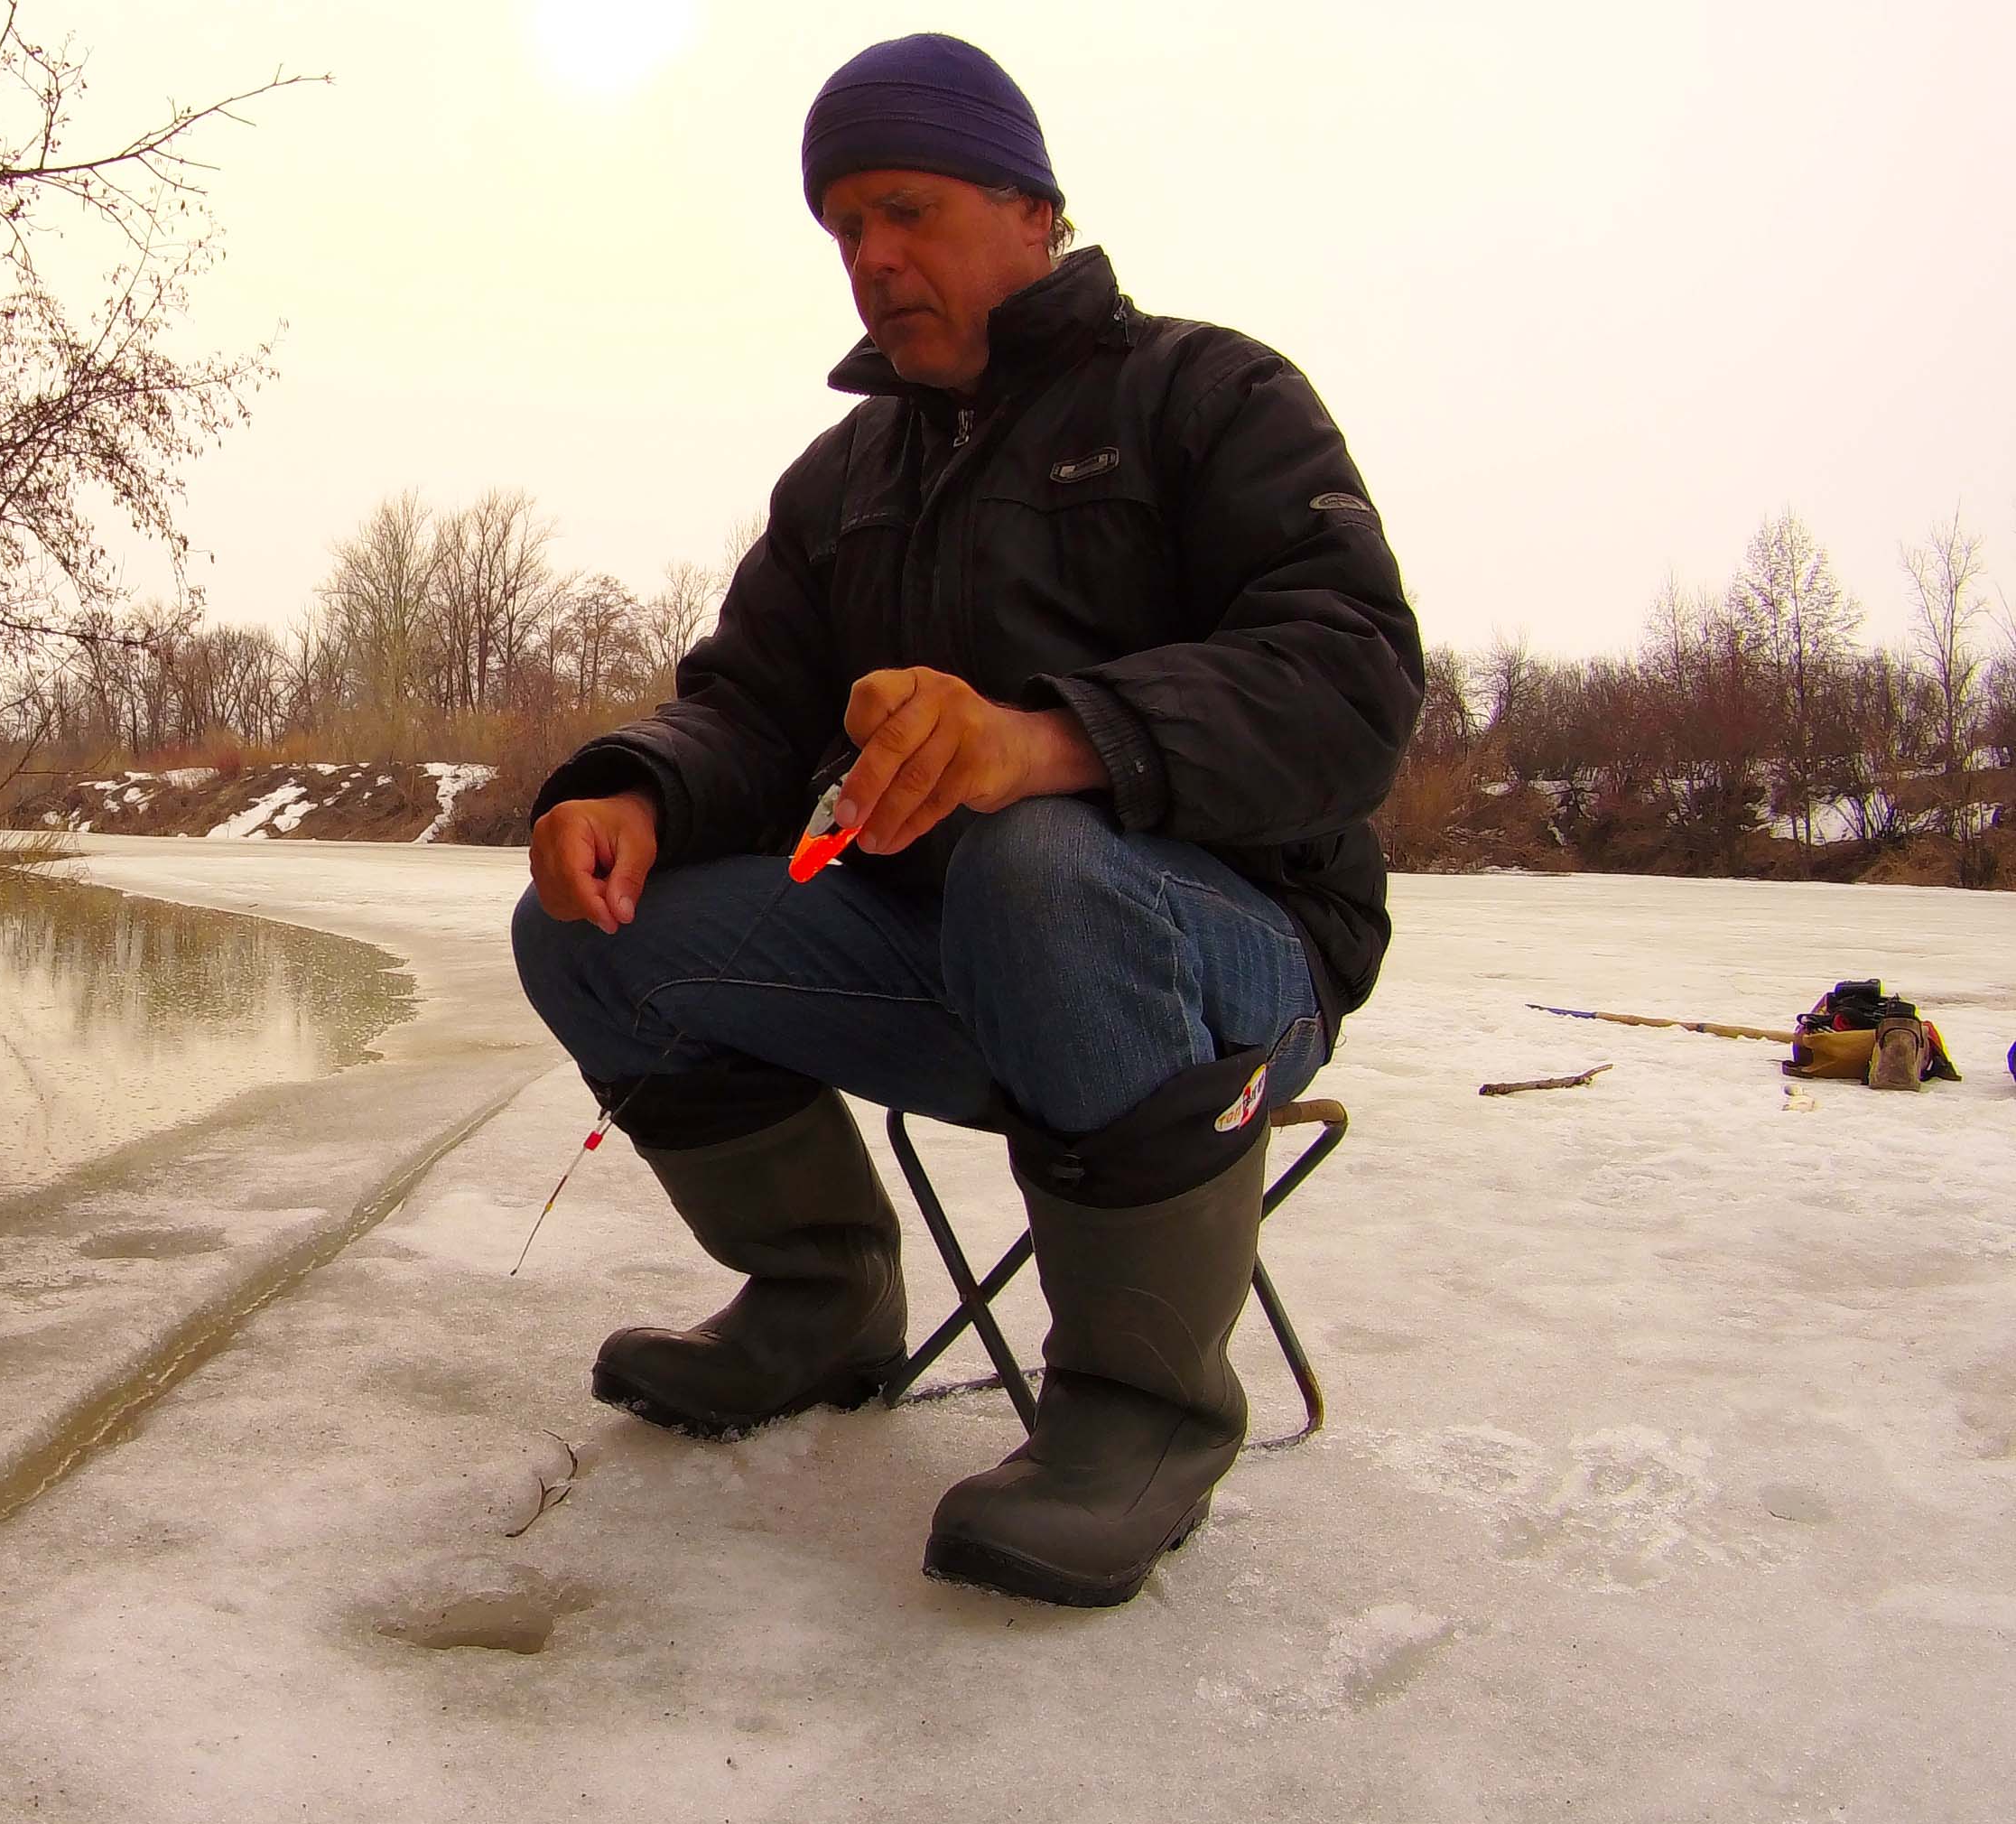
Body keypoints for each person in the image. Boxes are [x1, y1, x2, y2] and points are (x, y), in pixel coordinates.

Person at [509, 32, 1423, 1607]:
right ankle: (823, 1297)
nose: (872, 259)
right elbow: (745, 703)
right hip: (953, 955)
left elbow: (1352, 682)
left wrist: (1054, 739)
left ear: (1034, 211)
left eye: (909, 211)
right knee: (591, 929)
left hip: (1232, 966)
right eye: (845, 227)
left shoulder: (1212, 397)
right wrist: (632, 785)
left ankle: (1144, 1410)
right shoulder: (842, 482)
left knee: (1040, 859)